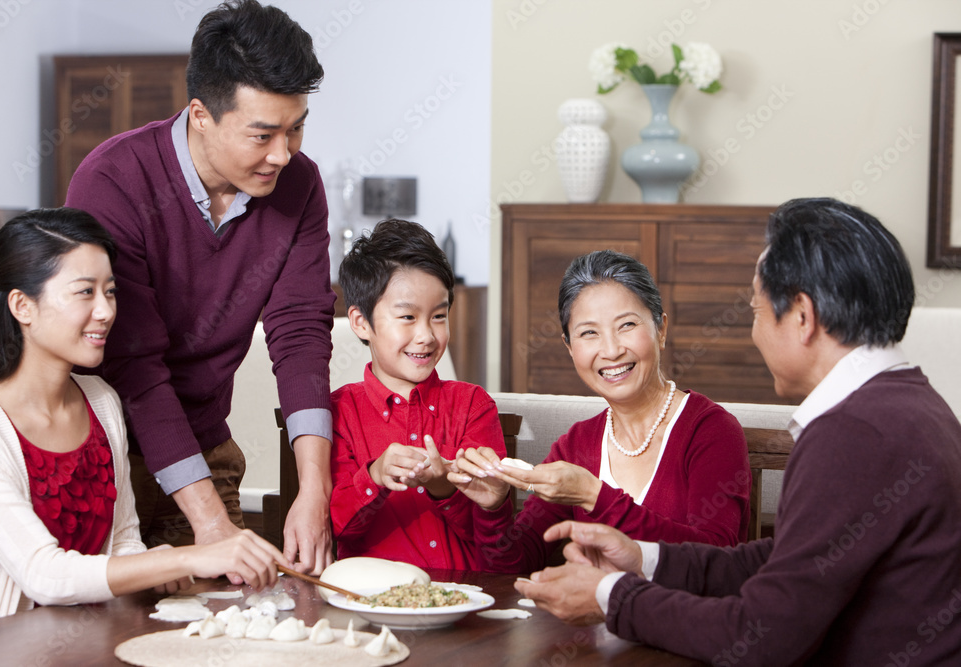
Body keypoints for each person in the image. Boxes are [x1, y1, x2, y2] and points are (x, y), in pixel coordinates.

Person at [516, 198, 961, 665]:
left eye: (757, 310)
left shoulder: (852, 434)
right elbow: (784, 557)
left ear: (802, 318)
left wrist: (611, 595)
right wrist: (646, 559)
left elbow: (762, 636)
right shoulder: (913, 406)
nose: (755, 332)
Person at [64, 0, 335, 575]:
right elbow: (132, 365)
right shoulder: (113, 180)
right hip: (103, 462)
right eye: (263, 135)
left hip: (207, 451)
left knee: (232, 634)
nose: (282, 154)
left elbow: (301, 332)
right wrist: (211, 527)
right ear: (200, 115)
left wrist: (314, 490)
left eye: (297, 128)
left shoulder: (298, 184)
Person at [0, 209, 291, 620]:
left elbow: (124, 542)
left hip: (89, 642)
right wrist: (183, 560)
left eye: (110, 291)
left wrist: (155, 567)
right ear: (22, 306)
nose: (106, 311)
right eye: (85, 292)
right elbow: (40, 573)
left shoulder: (101, 400)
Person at [451, 250, 750, 573]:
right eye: (589, 333)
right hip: (590, 622)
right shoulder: (577, 446)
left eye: (627, 325)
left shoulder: (711, 430)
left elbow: (717, 561)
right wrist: (493, 507)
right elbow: (514, 564)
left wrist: (594, 496)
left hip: (683, 621)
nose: (611, 350)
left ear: (660, 329)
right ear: (569, 348)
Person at [329, 219, 509, 569]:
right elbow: (338, 531)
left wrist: (445, 487)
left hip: (463, 601)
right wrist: (375, 477)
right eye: (408, 317)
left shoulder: (473, 405)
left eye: (439, 316)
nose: (427, 335)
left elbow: (494, 542)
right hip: (370, 604)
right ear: (361, 322)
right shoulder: (338, 413)